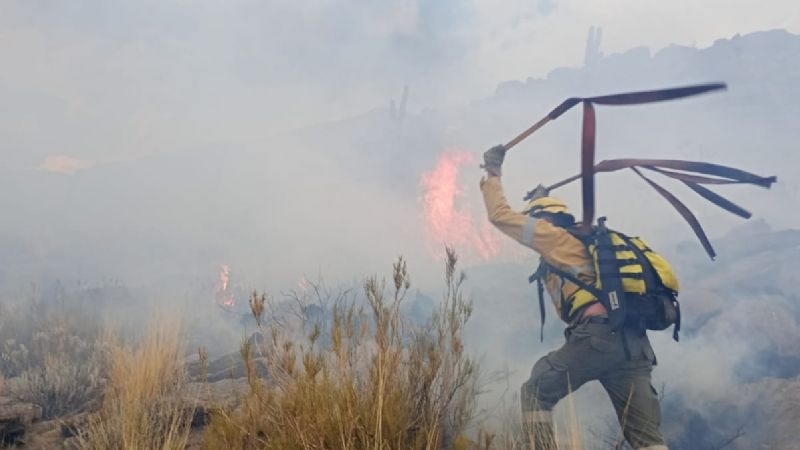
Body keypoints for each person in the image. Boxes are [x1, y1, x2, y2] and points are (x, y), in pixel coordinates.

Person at [480, 145, 668, 450]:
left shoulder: (553, 237)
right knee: (648, 439)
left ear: (543, 220)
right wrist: (541, 196)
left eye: (536, 220)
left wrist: (493, 172)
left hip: (598, 338)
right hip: (634, 346)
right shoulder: (585, 242)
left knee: (536, 391)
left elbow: (500, 215)